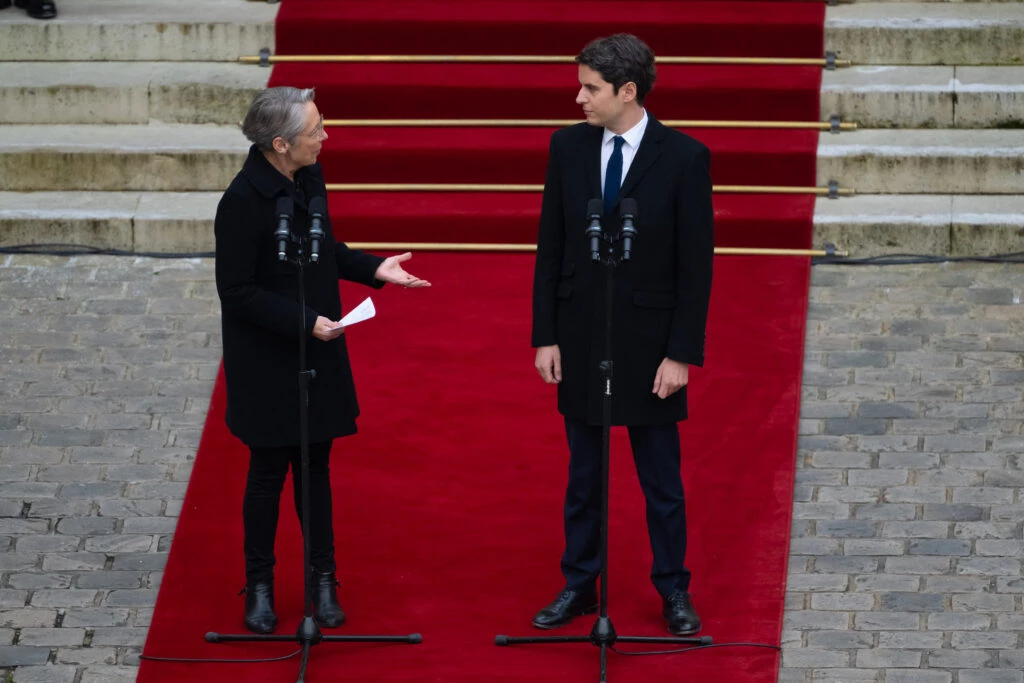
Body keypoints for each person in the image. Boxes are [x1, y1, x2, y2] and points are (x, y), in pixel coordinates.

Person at [215, 87, 430, 634]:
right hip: (267, 358)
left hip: (318, 350)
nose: (326, 137)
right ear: (281, 143)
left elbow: (325, 249)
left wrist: (375, 269)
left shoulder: (309, 177)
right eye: (316, 131)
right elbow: (236, 291)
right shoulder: (241, 201)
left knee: (316, 469)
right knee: (268, 472)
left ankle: (324, 580)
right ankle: (259, 585)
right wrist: (302, 320)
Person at [530, 34, 713, 636]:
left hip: (650, 347)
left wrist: (680, 354)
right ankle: (580, 584)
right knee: (584, 478)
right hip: (582, 337)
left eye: (591, 88)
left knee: (661, 481)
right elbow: (551, 247)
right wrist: (546, 336)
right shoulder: (567, 148)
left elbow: (696, 267)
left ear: (627, 91)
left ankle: (674, 589)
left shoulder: (684, 157)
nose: (579, 98)